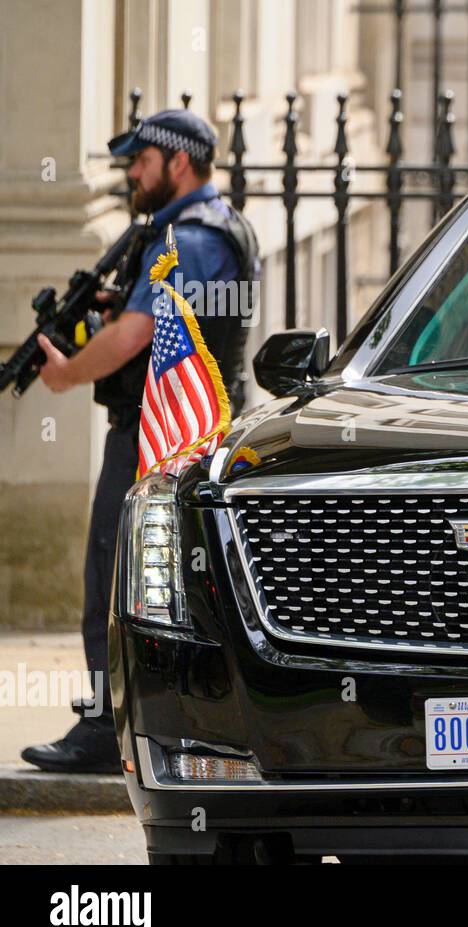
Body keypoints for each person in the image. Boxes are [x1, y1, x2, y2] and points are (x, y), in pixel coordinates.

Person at [21, 109, 259, 773]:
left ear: (178, 162)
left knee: (114, 570)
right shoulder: (206, 229)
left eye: (142, 160)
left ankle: (105, 727)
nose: (132, 172)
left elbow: (136, 335)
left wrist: (68, 373)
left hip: (156, 439)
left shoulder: (189, 238)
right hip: (188, 432)